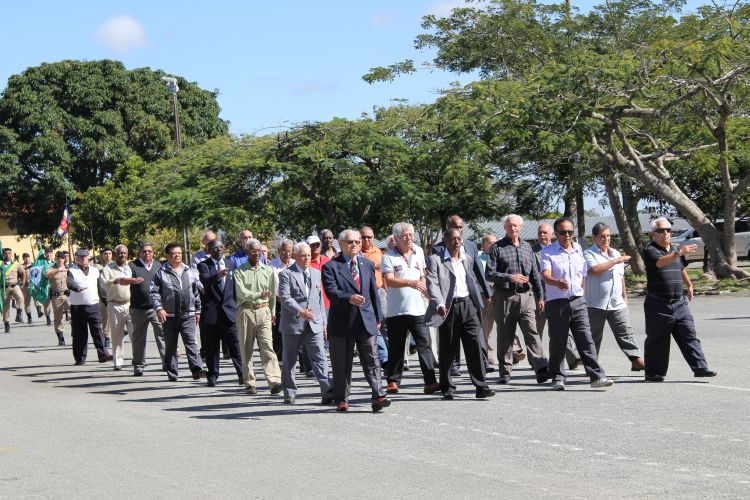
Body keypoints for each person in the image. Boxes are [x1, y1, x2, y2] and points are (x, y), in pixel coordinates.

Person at [321, 229, 391, 413]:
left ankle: (378, 395)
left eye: (357, 242)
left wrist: (378, 317)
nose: (355, 245)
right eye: (350, 242)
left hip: (366, 320)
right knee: (342, 363)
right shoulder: (331, 266)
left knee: (372, 359)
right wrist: (348, 298)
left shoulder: (367, 264)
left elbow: (374, 292)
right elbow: (331, 291)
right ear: (341, 244)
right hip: (342, 322)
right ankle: (342, 398)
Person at [540, 217, 613, 391]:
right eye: (563, 232)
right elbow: (545, 275)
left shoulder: (578, 249)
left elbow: (583, 274)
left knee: (586, 339)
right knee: (558, 341)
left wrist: (581, 294)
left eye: (570, 232)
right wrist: (557, 282)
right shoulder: (548, 252)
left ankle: (596, 376)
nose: (567, 235)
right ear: (556, 233)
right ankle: (558, 377)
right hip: (557, 303)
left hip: (578, 301)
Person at [641, 217, 716, 382]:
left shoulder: (674, 249)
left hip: (679, 302)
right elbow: (660, 263)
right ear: (653, 234)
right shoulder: (650, 249)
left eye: (668, 230)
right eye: (661, 230)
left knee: (689, 334)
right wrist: (679, 253)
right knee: (658, 340)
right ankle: (653, 373)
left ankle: (700, 368)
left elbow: (680, 268)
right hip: (658, 304)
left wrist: (689, 284)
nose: (665, 233)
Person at [425, 228, 495, 400]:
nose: (456, 242)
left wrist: (480, 299)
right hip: (448, 308)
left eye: (459, 239)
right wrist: (439, 303)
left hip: (468, 305)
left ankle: (481, 386)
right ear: (445, 241)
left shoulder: (467, 258)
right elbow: (432, 283)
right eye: (452, 239)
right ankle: (447, 387)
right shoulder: (436, 260)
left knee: (475, 346)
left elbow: (472, 279)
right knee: (448, 348)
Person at [485, 215, 550, 384]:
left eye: (515, 226)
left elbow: (534, 274)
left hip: (526, 297)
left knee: (532, 332)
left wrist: (540, 296)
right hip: (505, 297)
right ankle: (505, 371)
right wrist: (510, 277)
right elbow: (489, 274)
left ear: (520, 227)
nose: (513, 228)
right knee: (505, 335)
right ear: (505, 228)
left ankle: (541, 368)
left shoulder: (527, 247)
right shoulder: (497, 248)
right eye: (509, 226)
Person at [381, 222, 439, 394]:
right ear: (396, 238)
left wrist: (429, 295)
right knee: (396, 348)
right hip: (396, 310)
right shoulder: (388, 257)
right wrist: (410, 283)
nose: (409, 238)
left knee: (424, 345)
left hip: (418, 309)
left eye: (411, 235)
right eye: (404, 235)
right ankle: (393, 381)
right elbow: (389, 280)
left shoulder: (419, 251)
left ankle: (430, 381)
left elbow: (423, 275)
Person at [432, 215, 493, 376]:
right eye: (455, 227)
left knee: (476, 332)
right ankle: (454, 365)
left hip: (470, 296)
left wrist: (487, 293)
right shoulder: (438, 249)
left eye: (461, 227)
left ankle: (483, 363)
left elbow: (478, 270)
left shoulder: (471, 245)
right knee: (452, 334)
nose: (459, 230)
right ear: (448, 228)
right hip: (450, 298)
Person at [584, 222, 645, 371]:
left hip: (617, 303)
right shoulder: (588, 253)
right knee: (593, 337)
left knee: (625, 332)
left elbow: (621, 277)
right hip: (595, 304)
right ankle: (591, 366)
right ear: (594, 237)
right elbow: (595, 270)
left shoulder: (615, 253)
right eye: (602, 236)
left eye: (608, 236)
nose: (606, 239)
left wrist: (625, 297)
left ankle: (636, 359)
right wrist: (616, 261)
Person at [278, 242, 333, 404]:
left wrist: (324, 322)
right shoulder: (286, 274)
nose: (307, 258)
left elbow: (319, 300)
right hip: (293, 324)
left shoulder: (316, 273)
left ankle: (327, 390)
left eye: (309, 255)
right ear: (295, 256)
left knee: (320, 357)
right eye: (303, 255)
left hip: (314, 323)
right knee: (290, 359)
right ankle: (289, 392)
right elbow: (285, 297)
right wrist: (300, 311)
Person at [150, 243, 206, 382]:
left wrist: (198, 310)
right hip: (169, 316)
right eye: (174, 253)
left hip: (188, 314)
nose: (177, 256)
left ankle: (197, 369)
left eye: (179, 253)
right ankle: (172, 373)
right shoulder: (161, 273)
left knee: (191, 342)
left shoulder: (189, 271)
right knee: (171, 345)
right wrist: (159, 308)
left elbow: (195, 292)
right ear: (167, 256)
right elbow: (154, 293)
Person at [233, 238, 282, 395]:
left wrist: (272, 312)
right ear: (247, 252)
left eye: (259, 251)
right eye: (253, 251)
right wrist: (259, 294)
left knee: (267, 346)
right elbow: (241, 293)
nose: (257, 254)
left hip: (264, 311)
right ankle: (249, 382)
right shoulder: (239, 271)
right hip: (246, 311)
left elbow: (272, 294)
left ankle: (274, 381)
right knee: (246, 348)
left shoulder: (267, 270)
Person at [531, 222, 580, 369]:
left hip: (559, 295)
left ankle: (572, 359)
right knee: (536, 330)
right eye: (539, 233)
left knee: (563, 329)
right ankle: (537, 361)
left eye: (545, 232)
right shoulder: (532, 251)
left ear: (552, 234)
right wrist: (539, 296)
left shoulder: (560, 249)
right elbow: (534, 275)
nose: (542, 235)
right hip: (539, 296)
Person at [197, 239, 243, 387]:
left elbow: (236, 286)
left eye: (221, 247)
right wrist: (218, 275)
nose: (219, 250)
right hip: (212, 313)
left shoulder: (231, 264)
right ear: (209, 250)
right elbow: (205, 280)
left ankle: (243, 374)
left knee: (235, 346)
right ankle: (212, 375)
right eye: (215, 248)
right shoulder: (204, 265)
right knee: (212, 347)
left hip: (230, 312)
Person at [125, 242, 167, 376]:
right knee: (138, 338)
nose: (147, 253)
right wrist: (131, 280)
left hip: (156, 308)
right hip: (138, 308)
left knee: (162, 335)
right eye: (144, 251)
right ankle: (138, 365)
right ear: (139, 253)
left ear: (153, 253)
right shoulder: (132, 266)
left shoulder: (158, 265)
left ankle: (167, 363)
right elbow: (123, 280)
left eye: (149, 251)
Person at [66, 248, 112, 365]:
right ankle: (80, 358)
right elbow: (69, 283)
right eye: (80, 257)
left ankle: (103, 354)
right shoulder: (72, 270)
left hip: (93, 305)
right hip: (77, 307)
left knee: (97, 331)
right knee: (79, 334)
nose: (83, 259)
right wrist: (76, 288)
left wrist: (106, 301)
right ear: (76, 259)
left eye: (85, 257)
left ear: (88, 258)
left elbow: (100, 288)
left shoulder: (95, 270)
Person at [100, 245, 135, 370]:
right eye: (120, 253)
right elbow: (103, 283)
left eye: (124, 253)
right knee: (117, 335)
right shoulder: (108, 268)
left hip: (130, 304)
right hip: (114, 304)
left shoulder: (131, 267)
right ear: (115, 254)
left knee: (135, 334)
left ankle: (137, 359)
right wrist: (115, 281)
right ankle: (118, 362)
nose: (122, 255)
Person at [359, 225, 388, 367]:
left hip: (380, 290)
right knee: (374, 324)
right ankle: (383, 357)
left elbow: (384, 273)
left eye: (369, 237)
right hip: (365, 293)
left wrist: (386, 289)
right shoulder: (357, 252)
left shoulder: (379, 252)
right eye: (363, 237)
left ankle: (390, 355)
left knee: (385, 322)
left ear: (373, 237)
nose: (366, 240)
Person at [269, 239, 295, 362]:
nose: (287, 254)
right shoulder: (271, 266)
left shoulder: (296, 263)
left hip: (295, 303)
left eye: (290, 251)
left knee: (296, 331)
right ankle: (279, 361)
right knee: (278, 333)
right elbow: (270, 287)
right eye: (284, 251)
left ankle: (300, 363)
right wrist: (281, 298)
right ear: (279, 251)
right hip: (278, 303)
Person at [477, 234, 497, 365]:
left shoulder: (499, 255)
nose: (492, 245)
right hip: (485, 295)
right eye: (489, 243)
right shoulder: (478, 258)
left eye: (494, 242)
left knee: (507, 323)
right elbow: (476, 277)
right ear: (483, 245)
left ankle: (515, 350)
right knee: (487, 326)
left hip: (500, 294)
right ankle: (488, 353)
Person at [44, 251, 69, 345]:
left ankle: (74, 334)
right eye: (58, 258)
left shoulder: (68, 268)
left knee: (73, 315)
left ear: (64, 259)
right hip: (56, 296)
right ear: (55, 259)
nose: (60, 260)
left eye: (61, 258)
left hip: (67, 295)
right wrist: (57, 270)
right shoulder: (51, 268)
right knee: (58, 318)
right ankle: (61, 338)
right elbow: (47, 275)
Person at [2, 248, 25, 333]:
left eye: (9, 253)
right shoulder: (1, 264)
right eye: (6, 253)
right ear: (3, 254)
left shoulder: (16, 264)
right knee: (5, 307)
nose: (8, 255)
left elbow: (22, 272)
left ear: (11, 254)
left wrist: (22, 282)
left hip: (14, 285)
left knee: (20, 297)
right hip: (4, 287)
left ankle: (19, 312)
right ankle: (6, 323)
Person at [96, 248, 113, 348]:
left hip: (114, 294)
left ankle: (121, 330)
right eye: (105, 254)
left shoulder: (115, 265)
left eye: (109, 253)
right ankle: (107, 337)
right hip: (102, 295)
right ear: (102, 255)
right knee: (105, 317)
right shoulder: (97, 266)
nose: (107, 255)